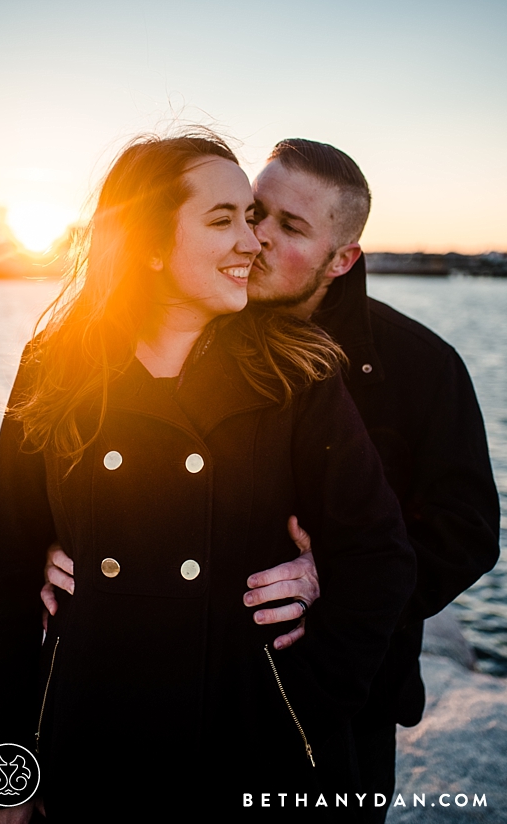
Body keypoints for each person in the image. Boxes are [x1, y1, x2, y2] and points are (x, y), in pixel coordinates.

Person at [44, 136, 499, 822]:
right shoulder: (192, 328)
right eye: (254, 212)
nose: (255, 236)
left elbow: (468, 529)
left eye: (290, 228)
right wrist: (56, 540)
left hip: (346, 699)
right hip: (200, 698)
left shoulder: (422, 366)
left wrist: (336, 577)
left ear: (341, 259)